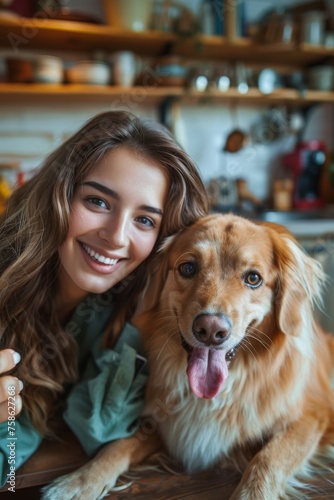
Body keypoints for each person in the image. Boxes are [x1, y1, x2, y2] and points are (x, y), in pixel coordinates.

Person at [0, 110, 208, 486]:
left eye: (144, 220)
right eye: (98, 202)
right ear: (58, 195)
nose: (115, 237)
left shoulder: (117, 309)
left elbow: (98, 428)